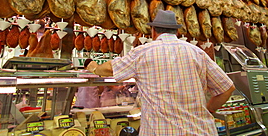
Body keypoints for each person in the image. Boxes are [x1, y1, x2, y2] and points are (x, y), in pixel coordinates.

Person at [87, 10, 235, 135]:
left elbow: (109, 69)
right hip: (200, 130)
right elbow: (227, 88)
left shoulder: (143, 52)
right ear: (177, 31)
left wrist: (94, 67)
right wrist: (208, 110)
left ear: (153, 31)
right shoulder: (197, 53)